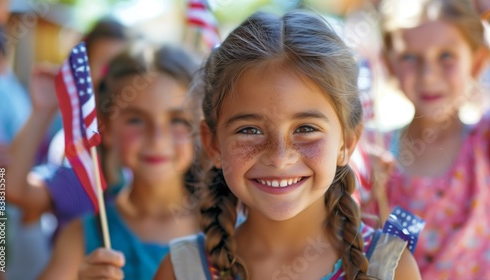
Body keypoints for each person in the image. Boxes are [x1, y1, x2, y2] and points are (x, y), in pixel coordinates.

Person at [154, 10, 420, 280]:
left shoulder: (391, 269)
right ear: (213, 145)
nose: (280, 158)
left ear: (347, 142)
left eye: (306, 129)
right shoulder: (181, 270)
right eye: (250, 130)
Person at [39, 43, 203, 280]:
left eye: (178, 120)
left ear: (202, 129)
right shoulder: (85, 235)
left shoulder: (230, 230)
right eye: (136, 119)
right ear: (104, 128)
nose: (157, 140)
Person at [364, 0, 490, 278]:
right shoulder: (372, 153)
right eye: (410, 57)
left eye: (446, 55)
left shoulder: (484, 143)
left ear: (477, 61)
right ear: (389, 64)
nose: (428, 74)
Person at [5, 17, 133, 237]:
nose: (112, 80)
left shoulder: (145, 150)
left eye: (122, 69)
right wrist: (42, 111)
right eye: (103, 67)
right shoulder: (73, 153)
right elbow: (10, 190)